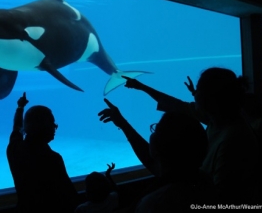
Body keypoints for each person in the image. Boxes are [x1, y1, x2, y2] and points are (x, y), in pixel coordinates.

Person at [99, 67, 260, 204]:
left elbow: (223, 199)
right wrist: (142, 87)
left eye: (198, 91)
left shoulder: (232, 140)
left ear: (209, 100)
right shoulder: (220, 118)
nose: (193, 94)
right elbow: (177, 106)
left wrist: (123, 123)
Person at [7, 92, 79, 213]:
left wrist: (20, 108)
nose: (55, 127)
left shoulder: (14, 149)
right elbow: (69, 194)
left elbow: (17, 128)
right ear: (43, 126)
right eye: (52, 123)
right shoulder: (52, 158)